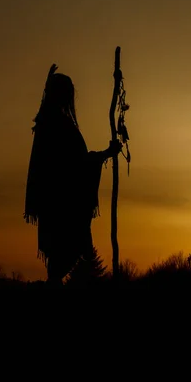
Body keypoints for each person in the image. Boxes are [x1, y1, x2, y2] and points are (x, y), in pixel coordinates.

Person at [24, 66, 123, 287]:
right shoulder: (55, 125)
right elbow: (71, 166)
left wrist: (102, 155)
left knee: (62, 256)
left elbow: (73, 163)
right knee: (66, 251)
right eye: (67, 93)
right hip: (62, 203)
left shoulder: (50, 123)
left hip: (55, 203)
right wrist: (105, 155)